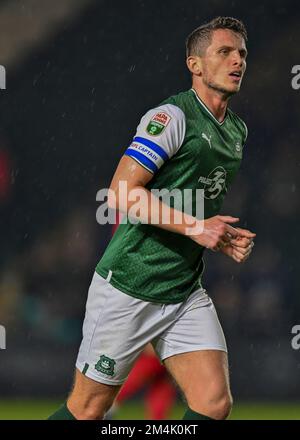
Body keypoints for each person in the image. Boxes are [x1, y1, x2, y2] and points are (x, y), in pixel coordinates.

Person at [49, 16, 255, 421]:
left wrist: (218, 234)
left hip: (183, 290)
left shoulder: (236, 132)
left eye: (243, 53)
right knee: (89, 409)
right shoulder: (172, 118)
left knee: (213, 403)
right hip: (129, 284)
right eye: (224, 52)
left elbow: (194, 203)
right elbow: (122, 193)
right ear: (195, 65)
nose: (238, 61)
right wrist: (198, 227)